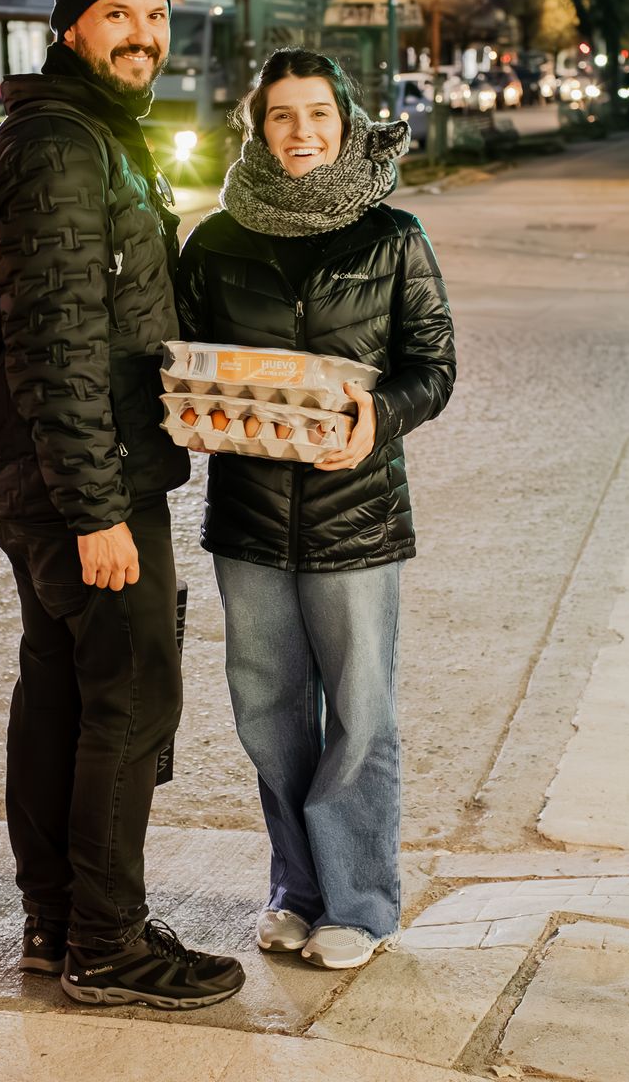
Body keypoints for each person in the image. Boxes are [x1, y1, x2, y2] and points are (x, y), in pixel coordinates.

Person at [0, 0, 245, 1011]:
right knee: (129, 696)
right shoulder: (63, 149)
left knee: (65, 690)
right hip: (87, 481)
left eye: (158, 17)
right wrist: (95, 507)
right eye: (121, 15)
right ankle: (110, 942)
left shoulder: (85, 136)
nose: (145, 35)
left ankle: (58, 922)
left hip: (66, 471)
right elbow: (55, 338)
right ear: (72, 25)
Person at [175, 48, 457, 970]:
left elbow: (434, 368)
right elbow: (182, 359)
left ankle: (361, 905)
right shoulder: (216, 242)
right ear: (256, 127)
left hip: (357, 514)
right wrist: (188, 413)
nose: (301, 133)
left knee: (360, 712)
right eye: (282, 116)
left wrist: (379, 416)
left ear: (346, 123)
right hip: (249, 517)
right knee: (268, 711)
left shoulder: (393, 236)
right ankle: (297, 888)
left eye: (318, 115)